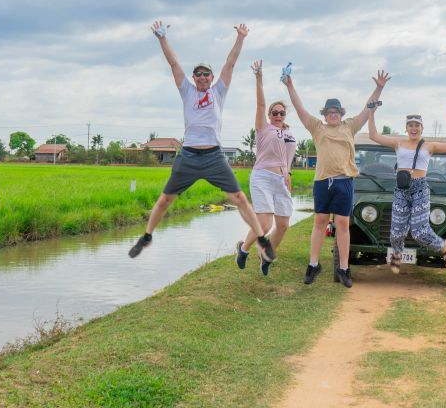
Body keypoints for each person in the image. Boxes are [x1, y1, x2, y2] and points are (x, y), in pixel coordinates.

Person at [128, 21, 275, 263]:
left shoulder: (219, 91)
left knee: (238, 198)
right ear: (194, 78)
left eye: (207, 73)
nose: (203, 77)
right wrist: (162, 39)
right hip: (188, 156)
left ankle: (261, 239)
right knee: (165, 199)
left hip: (214, 156)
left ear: (212, 77)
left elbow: (231, 63)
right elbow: (174, 64)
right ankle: (146, 236)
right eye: (199, 74)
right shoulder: (187, 90)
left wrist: (240, 38)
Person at [284, 69, 390, 288]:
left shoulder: (349, 126)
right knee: (320, 222)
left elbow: (367, 109)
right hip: (323, 182)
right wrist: (289, 85)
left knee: (342, 223)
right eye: (329, 112)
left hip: (344, 181)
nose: (333, 114)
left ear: (341, 113)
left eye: (336, 111)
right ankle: (313, 265)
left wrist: (379, 88)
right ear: (324, 114)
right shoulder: (317, 127)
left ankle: (344, 268)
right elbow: (299, 108)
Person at [366, 106, 446, 272]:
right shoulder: (398, 143)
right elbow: (373, 135)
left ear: (422, 128)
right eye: (410, 125)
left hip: (420, 190)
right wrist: (371, 113)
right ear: (406, 128)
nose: (413, 128)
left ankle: (443, 245)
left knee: (419, 232)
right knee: (396, 231)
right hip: (401, 190)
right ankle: (397, 252)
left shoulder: (429, 146)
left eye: (417, 125)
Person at [235, 59, 297, 276]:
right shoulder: (263, 128)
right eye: (275, 112)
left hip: (281, 180)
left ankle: (265, 256)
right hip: (262, 177)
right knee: (265, 223)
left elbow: (288, 156)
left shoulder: (289, 134)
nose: (278, 115)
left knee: (283, 225)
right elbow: (260, 104)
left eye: (281, 113)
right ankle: (243, 249)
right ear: (270, 115)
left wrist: (288, 172)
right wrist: (259, 77)